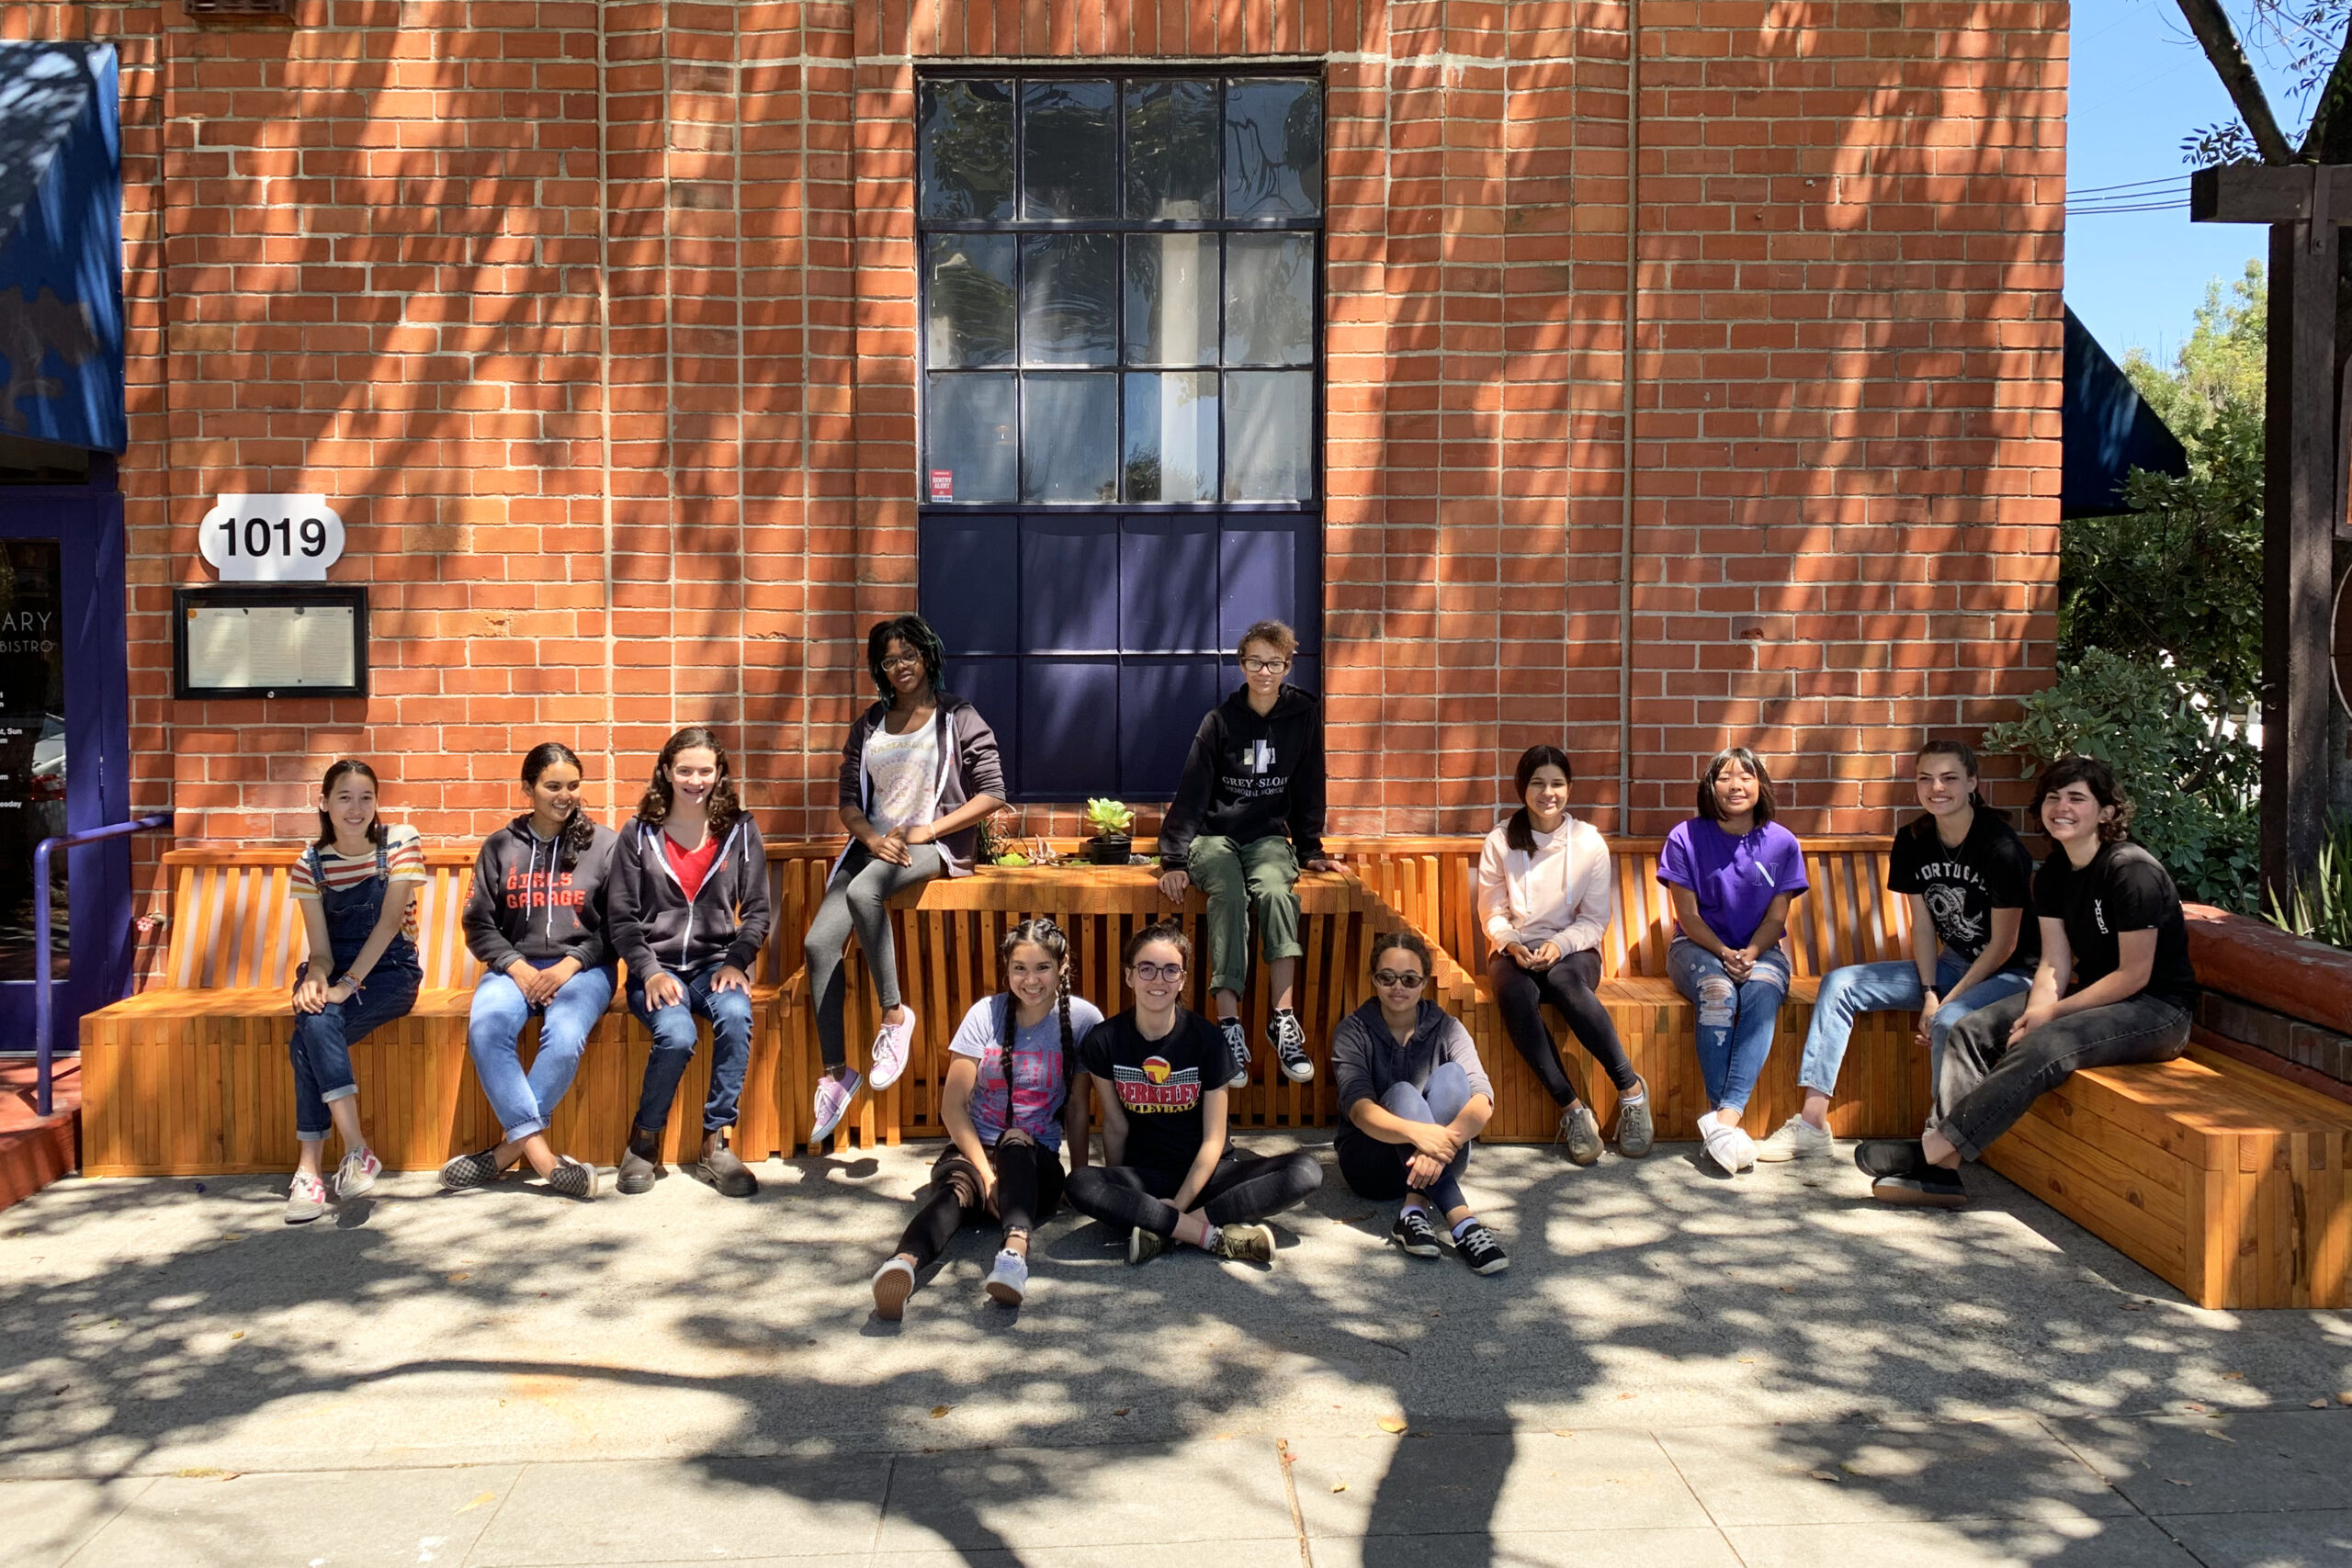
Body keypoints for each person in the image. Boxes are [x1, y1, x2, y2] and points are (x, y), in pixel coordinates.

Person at [1859, 755, 2199, 1206]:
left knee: (2046, 1044)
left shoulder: (2131, 870)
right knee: (1969, 1029)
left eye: (2077, 798)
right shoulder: (2055, 872)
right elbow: (2054, 962)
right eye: (2054, 798)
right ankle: (1941, 1174)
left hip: (2158, 1011)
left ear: (2108, 812)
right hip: (2095, 1000)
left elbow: (2134, 975)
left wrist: (2050, 1016)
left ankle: (1933, 1152)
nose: (2062, 807)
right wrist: (2039, 1008)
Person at [1758, 739, 2038, 1161]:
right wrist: (1929, 990)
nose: (1936, 788)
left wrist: (1947, 1001)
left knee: (1949, 1020)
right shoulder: (1913, 839)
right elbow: (1923, 925)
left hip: (2013, 975)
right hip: (1954, 964)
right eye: (1925, 778)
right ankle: (1812, 1126)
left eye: (1949, 778)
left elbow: (2004, 945)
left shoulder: (2000, 847)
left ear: (1972, 784)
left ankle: (1939, 1144)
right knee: (1840, 984)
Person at [807, 615, 1005, 1144]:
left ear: (928, 656)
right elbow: (848, 802)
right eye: (890, 660)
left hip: (931, 844)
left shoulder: (958, 716)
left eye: (909, 656)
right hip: (871, 846)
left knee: (863, 891)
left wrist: (928, 830)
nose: (900, 668)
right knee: (817, 942)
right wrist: (872, 840)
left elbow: (993, 791)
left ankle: (894, 1017)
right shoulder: (869, 723)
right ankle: (836, 1073)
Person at [869, 918, 1106, 1319]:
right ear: (1007, 969)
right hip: (976, 1153)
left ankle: (1013, 1256)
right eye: (1019, 968)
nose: (1030, 980)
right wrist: (987, 1175)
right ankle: (903, 1266)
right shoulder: (986, 1013)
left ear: (1063, 966)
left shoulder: (1083, 1018)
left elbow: (1079, 1108)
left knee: (1016, 1138)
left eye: (1042, 968)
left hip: (1036, 1163)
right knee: (955, 1192)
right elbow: (952, 1106)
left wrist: (1077, 1178)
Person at [1064, 923, 1323, 1266]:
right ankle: (1212, 1238)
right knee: (1080, 1182)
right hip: (1145, 1176)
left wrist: (1174, 1208)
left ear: (1182, 980)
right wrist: (1122, 1193)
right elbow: (1115, 1127)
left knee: (1305, 1171)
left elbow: (1214, 1140)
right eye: (1147, 969)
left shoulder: (1208, 1041)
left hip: (1207, 1175)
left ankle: (1167, 1229)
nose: (1158, 980)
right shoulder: (1104, 1040)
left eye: (1171, 970)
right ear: (1129, 977)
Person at [1156, 618, 1332, 1091]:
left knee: (1276, 891)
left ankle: (1282, 1020)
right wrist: (1173, 860)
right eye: (1255, 661)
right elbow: (1192, 791)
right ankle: (1229, 1026)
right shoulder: (1220, 722)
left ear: (1288, 665)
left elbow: (1310, 784)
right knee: (1229, 895)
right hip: (1215, 837)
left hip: (1269, 838)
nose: (1264, 671)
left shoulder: (1304, 716)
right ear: (1242, 664)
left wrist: (1311, 847)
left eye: (1275, 662)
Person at [442, 742, 620, 1201]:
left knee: (563, 1036)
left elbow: (621, 925)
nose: (565, 795)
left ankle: (503, 1154)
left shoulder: (603, 845)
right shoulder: (500, 846)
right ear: (528, 788)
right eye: (552, 786)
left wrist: (568, 965)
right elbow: (477, 923)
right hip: (513, 967)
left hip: (583, 969)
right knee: (486, 1029)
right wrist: (516, 967)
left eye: (573, 786)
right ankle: (542, 1158)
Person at [608, 726, 773, 1199]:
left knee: (737, 1015)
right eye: (684, 770)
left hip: (714, 965)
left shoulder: (740, 829)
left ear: (719, 773)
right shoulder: (638, 833)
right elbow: (621, 918)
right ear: (666, 771)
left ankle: (716, 1142)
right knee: (676, 1034)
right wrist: (649, 970)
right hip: (654, 967)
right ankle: (644, 1141)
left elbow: (758, 910)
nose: (695, 780)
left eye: (705, 770)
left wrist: (738, 961)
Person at [1475, 744, 1650, 1164]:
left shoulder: (1589, 843)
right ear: (1523, 788)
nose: (1547, 792)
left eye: (1556, 783)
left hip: (1575, 951)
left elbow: (1593, 920)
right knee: (1515, 994)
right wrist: (1513, 944)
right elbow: (1493, 912)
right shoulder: (1501, 841)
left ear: (1569, 788)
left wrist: (1559, 945)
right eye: (1538, 783)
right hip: (1515, 949)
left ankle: (1631, 1091)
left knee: (1563, 980)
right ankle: (1572, 1109)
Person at [282, 758, 424, 1224]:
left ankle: (310, 1171)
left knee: (306, 1039)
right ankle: (355, 1151)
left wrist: (346, 985)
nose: (356, 807)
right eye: (344, 797)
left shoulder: (400, 842)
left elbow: (387, 926)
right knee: (312, 1022)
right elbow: (321, 950)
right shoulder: (309, 864)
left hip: (391, 972)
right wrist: (318, 979)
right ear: (323, 803)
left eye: (366, 797)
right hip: (338, 970)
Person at [1658, 746, 1809, 1176]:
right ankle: (1723, 1123)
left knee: (1761, 990)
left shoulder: (1782, 842)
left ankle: (1723, 1123)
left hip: (1762, 950)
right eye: (1724, 777)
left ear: (1760, 785)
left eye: (1746, 775)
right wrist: (1725, 953)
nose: (1736, 784)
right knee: (1718, 990)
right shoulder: (1684, 837)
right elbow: (1687, 916)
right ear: (1710, 787)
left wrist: (1752, 953)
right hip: (1695, 948)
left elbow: (1777, 917)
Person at [1330, 931, 1510, 1274]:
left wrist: (1441, 1142)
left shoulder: (1448, 1027)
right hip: (1370, 1163)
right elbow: (1359, 1110)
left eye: (1410, 979)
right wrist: (1419, 1134)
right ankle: (1462, 1222)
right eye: (1387, 977)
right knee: (1401, 1093)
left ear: (1424, 982)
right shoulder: (1353, 1031)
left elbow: (1483, 1099)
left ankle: (1412, 1212)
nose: (1398, 987)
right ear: (1374, 980)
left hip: (1444, 1154)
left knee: (1454, 1076)